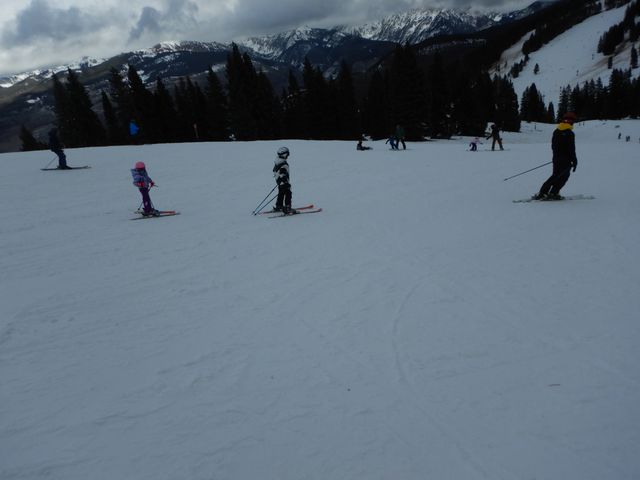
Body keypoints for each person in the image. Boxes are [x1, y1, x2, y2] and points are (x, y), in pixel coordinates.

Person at [533, 112, 578, 200]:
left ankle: (544, 192)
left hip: (556, 158)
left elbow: (553, 146)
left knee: (556, 175)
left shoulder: (556, 131)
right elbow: (571, 149)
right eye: (571, 120)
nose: (570, 122)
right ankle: (552, 193)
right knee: (563, 177)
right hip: (565, 160)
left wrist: (557, 157)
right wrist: (574, 160)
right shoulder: (570, 133)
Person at [273, 146, 293, 214]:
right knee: (288, 193)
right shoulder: (283, 164)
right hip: (283, 181)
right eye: (287, 154)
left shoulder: (277, 161)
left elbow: (275, 171)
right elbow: (282, 173)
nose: (288, 156)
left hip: (279, 181)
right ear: (284, 154)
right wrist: (285, 181)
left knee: (281, 193)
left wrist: (280, 180)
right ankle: (287, 208)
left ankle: (279, 206)